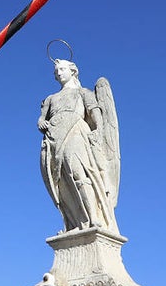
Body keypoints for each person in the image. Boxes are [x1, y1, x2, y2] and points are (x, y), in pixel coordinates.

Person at [37, 60, 120, 234]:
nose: (58, 73)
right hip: (54, 138)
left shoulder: (83, 93)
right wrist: (42, 122)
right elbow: (41, 119)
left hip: (75, 131)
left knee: (79, 173)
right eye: (56, 70)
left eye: (62, 69)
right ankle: (74, 223)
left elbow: (94, 111)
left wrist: (98, 129)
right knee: (61, 181)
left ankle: (93, 218)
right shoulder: (51, 98)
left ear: (73, 71)